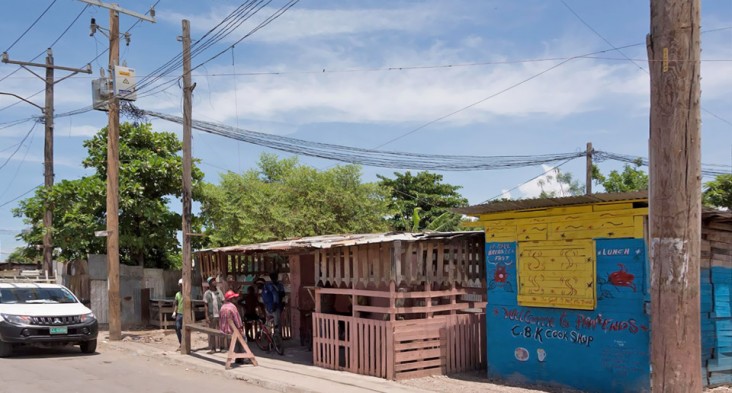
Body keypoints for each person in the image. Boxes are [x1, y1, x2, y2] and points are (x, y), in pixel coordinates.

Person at [219, 290, 246, 364]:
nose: (236, 299)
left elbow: (220, 319)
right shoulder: (233, 307)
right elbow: (238, 321)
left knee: (237, 341)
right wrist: (241, 330)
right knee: (243, 338)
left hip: (224, 330)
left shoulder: (223, 307)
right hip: (232, 330)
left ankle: (238, 358)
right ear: (231, 299)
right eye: (234, 297)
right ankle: (244, 357)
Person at [203, 276, 225, 353]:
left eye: (215, 281)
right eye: (213, 281)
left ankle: (222, 347)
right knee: (212, 332)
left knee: (221, 331)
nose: (215, 282)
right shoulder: (207, 293)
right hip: (211, 315)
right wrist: (206, 316)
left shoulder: (219, 292)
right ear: (209, 283)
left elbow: (223, 302)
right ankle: (213, 348)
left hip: (220, 314)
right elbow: (206, 305)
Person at [172, 278, 184, 350]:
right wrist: (174, 312)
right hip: (179, 313)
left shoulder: (187, 294)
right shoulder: (178, 294)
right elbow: (176, 304)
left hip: (185, 314)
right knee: (177, 327)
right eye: (180, 285)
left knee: (185, 329)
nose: (181, 287)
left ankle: (184, 344)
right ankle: (181, 342)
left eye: (182, 285)